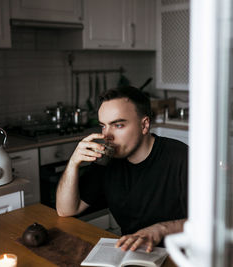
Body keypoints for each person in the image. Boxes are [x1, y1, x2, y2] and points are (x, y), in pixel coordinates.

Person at [56, 86, 188, 253]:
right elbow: (66, 210)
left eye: (118, 125)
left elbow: (211, 221)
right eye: (103, 126)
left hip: (179, 257)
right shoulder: (107, 161)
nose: (107, 136)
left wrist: (160, 229)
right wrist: (73, 162)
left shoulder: (181, 157)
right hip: (132, 254)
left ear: (144, 125)